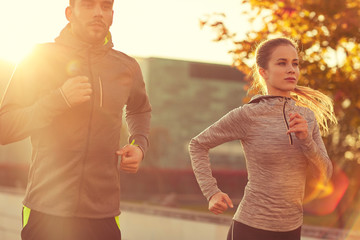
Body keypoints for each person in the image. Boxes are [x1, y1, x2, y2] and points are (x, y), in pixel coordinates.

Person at [0, 0, 151, 239]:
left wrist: (139, 144)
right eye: (89, 5)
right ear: (70, 13)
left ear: (112, 15)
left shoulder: (127, 67)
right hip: (46, 211)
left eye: (105, 6)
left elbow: (139, 109)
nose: (98, 13)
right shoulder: (38, 58)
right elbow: (4, 128)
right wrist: (59, 99)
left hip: (104, 215)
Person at [188, 37, 337, 240]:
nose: (291, 69)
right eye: (282, 63)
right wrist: (212, 192)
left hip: (291, 230)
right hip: (250, 228)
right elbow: (197, 145)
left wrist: (307, 141)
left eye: (295, 63)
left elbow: (325, 172)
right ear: (263, 71)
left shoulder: (307, 117)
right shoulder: (248, 115)